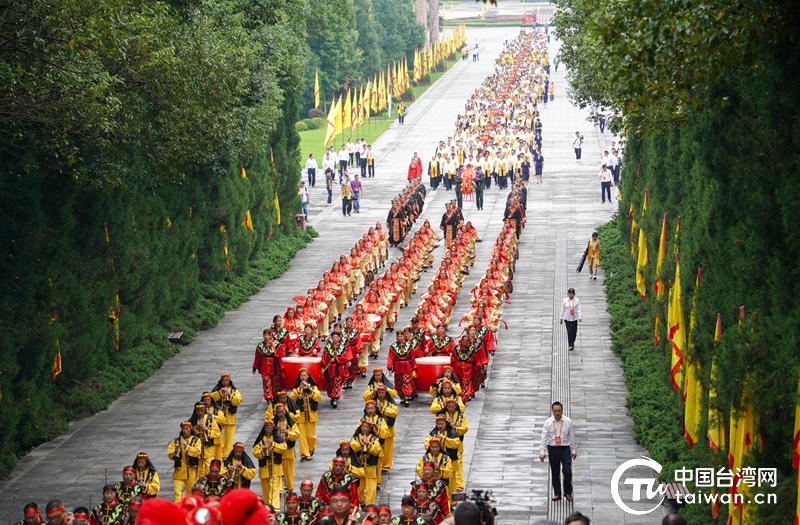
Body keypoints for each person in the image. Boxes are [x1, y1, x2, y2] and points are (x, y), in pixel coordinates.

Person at [539, 401, 577, 502]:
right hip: (553, 448)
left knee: (567, 471)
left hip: (564, 448)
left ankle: (568, 492)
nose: (557, 413)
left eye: (559, 411)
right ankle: (557, 493)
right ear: (552, 411)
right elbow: (544, 437)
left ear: (562, 411)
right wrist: (542, 452)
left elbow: (572, 435)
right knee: (555, 473)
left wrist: (574, 449)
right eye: (555, 411)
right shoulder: (548, 422)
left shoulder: (568, 421)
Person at [253, 418, 288, 510]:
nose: (269, 430)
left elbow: (284, 448)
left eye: (270, 428)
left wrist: (273, 445)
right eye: (267, 428)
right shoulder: (260, 440)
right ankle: (268, 507)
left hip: (276, 468)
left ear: (273, 428)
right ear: (264, 429)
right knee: (266, 491)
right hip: (264, 469)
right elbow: (255, 452)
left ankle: (275, 508)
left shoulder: (277, 438)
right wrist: (263, 450)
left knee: (274, 489)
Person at [291, 368, 323, 461]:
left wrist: (309, 390)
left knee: (311, 436)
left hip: (311, 416)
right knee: (301, 437)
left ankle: (311, 449)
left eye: (305, 375)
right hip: (300, 417)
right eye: (301, 376)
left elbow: (318, 397)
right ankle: (304, 454)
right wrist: (298, 390)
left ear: (308, 377)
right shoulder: (297, 389)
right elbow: (291, 399)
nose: (303, 377)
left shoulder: (313, 387)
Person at [168, 421, 202, 502]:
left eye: (187, 429)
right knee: (177, 495)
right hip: (179, 472)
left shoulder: (196, 440)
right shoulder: (176, 441)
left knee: (191, 494)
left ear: (190, 429)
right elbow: (170, 455)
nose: (185, 431)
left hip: (192, 472)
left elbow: (197, 453)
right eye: (183, 429)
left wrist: (187, 446)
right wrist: (175, 451)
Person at [210, 373, 242, 457]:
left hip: (230, 417)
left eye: (226, 380)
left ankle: (227, 455)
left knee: (229, 438)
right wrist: (220, 393)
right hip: (219, 417)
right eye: (223, 380)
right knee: (219, 436)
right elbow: (211, 398)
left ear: (229, 380)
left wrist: (230, 396)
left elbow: (238, 401)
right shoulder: (217, 389)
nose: (225, 382)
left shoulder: (234, 390)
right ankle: (219, 453)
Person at [189, 401, 221, 475]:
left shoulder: (210, 419)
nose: (200, 413)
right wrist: (196, 428)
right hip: (197, 450)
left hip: (208, 450)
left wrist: (208, 431)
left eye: (202, 411)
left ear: (205, 410)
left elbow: (217, 433)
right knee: (198, 472)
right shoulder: (192, 421)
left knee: (209, 469)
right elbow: (188, 435)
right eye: (198, 411)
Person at [321, 329, 350, 408]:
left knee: (337, 383)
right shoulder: (328, 347)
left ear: (339, 338)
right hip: (330, 368)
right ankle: (332, 396)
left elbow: (344, 357)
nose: (335, 339)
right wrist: (323, 367)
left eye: (337, 337)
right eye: (334, 337)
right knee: (330, 383)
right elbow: (324, 358)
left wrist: (336, 359)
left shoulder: (342, 347)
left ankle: (335, 398)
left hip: (339, 368)